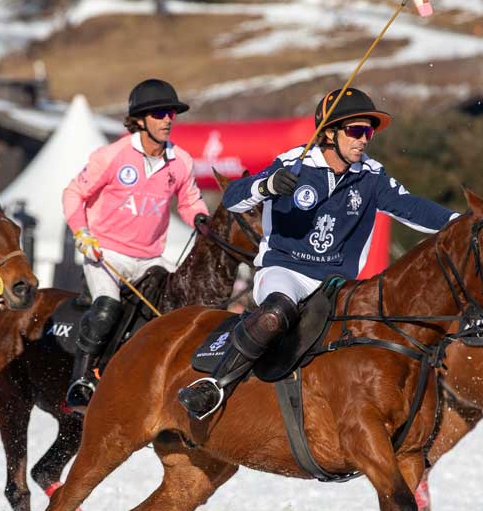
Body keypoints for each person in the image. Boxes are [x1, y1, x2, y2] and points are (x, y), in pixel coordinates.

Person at [177, 87, 457, 420]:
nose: (364, 139)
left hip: (339, 282)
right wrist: (266, 186)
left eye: (368, 131)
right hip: (286, 271)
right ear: (328, 133)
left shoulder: (371, 175)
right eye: (355, 130)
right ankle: (215, 384)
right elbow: (233, 199)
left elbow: (413, 207)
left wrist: (464, 223)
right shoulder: (292, 165)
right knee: (273, 315)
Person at [60, 78, 210, 409]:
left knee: (184, 308)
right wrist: (82, 234)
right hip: (107, 254)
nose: (168, 119)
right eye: (159, 113)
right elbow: (74, 193)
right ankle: (81, 382)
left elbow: (189, 201)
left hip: (151, 258)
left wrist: (200, 218)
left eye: (171, 113)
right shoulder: (111, 156)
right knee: (106, 310)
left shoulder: (180, 161)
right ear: (139, 120)